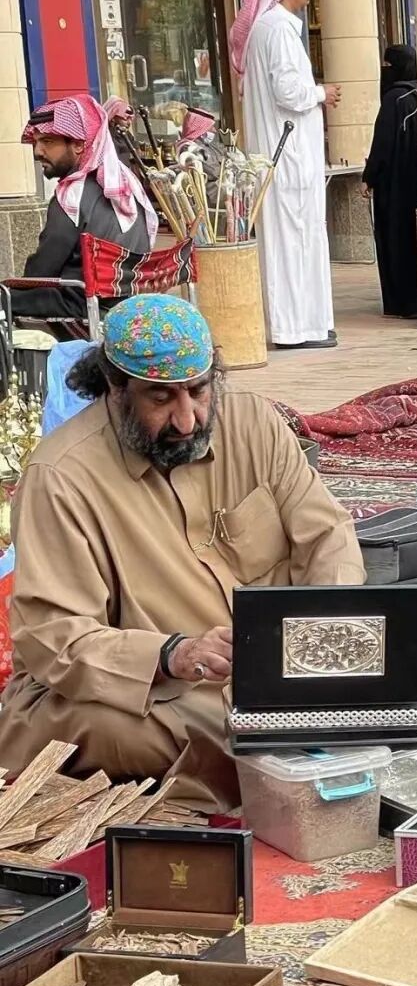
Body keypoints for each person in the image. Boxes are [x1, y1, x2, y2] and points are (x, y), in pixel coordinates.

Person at [0, 295, 366, 809]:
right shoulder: (61, 477)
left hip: (270, 678)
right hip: (145, 689)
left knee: (401, 702)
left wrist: (321, 634)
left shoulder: (254, 424)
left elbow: (327, 535)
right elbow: (54, 639)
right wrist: (174, 654)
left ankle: (283, 756)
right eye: (161, 399)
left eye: (198, 391)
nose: (188, 420)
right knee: (168, 733)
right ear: (115, 388)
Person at [229, 0, 339, 349]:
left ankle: (307, 324)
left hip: (283, 153)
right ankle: (297, 329)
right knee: (295, 239)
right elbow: (289, 92)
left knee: (294, 238)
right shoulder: (277, 29)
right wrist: (322, 93)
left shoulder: (270, 28)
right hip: (288, 155)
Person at [13, 96, 155, 330]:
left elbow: (41, 272)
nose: (38, 152)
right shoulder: (127, 182)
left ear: (78, 144)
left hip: (84, 306)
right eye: (36, 142)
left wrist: (13, 288)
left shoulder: (73, 195)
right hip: (127, 301)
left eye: (47, 141)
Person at [362, 45, 417, 319]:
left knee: (396, 240)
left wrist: (369, 177)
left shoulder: (395, 99)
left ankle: (402, 302)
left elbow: (383, 144)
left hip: (395, 184)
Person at [177, 106, 227, 209]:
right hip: (208, 199)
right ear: (201, 129)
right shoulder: (189, 147)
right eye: (210, 128)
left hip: (217, 197)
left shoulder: (207, 145)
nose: (214, 131)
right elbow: (214, 171)